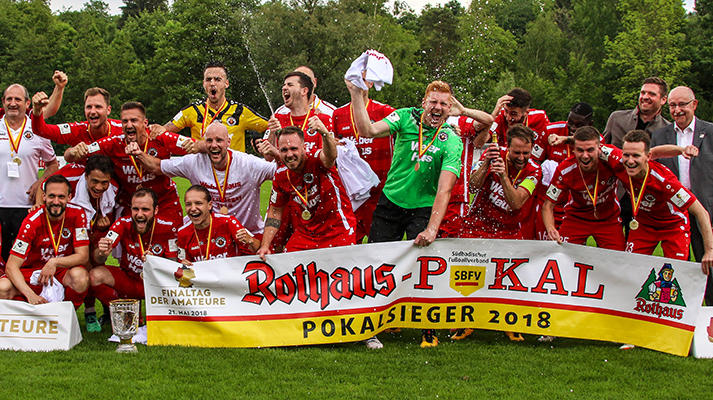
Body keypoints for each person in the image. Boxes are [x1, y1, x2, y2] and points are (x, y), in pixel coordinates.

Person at [346, 79, 463, 349]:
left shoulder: (452, 140)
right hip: (391, 202)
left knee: (423, 266)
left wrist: (432, 228)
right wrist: (355, 94)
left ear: (450, 109)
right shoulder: (404, 117)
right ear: (424, 103)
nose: (437, 107)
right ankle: (371, 326)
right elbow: (368, 129)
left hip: (422, 208)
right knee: (377, 261)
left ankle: (428, 327)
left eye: (443, 104)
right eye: (433, 102)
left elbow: (444, 190)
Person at [64, 101, 197, 226]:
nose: (128, 125)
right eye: (125, 121)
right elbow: (75, 154)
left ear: (145, 123)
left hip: (164, 203)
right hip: (131, 206)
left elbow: (197, 147)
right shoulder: (114, 143)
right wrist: (73, 151)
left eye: (134, 120)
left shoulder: (160, 137)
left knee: (173, 247)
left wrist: (195, 146)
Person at [602, 130, 713, 271]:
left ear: (648, 157)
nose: (630, 161)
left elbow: (701, 212)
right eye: (626, 155)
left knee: (675, 272)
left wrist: (710, 251)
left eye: (636, 156)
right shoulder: (616, 159)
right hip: (643, 224)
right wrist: (566, 138)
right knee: (630, 267)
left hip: (672, 226)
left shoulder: (665, 182)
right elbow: (589, 144)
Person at [140, 122, 274, 235]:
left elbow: (280, 171)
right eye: (209, 141)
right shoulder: (194, 162)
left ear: (228, 142)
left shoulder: (249, 164)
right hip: (208, 235)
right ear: (204, 143)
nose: (214, 145)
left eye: (219, 140)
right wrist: (137, 153)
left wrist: (276, 152)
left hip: (247, 234)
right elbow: (157, 167)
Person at [651, 86, 713, 304]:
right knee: (678, 270)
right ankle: (683, 319)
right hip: (674, 214)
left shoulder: (710, 132)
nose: (677, 110)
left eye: (682, 105)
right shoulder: (660, 135)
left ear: (694, 105)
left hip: (705, 210)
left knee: (709, 265)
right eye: (673, 106)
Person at [44, 155, 117, 331]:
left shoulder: (114, 188)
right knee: (82, 266)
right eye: (95, 181)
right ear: (85, 176)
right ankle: (83, 311)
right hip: (71, 229)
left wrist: (104, 221)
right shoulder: (70, 175)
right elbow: (44, 185)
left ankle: (92, 310)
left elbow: (112, 209)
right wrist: (38, 204)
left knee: (96, 264)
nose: (99, 187)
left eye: (104, 183)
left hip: (96, 230)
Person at [257, 124, 355, 255]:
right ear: (278, 151)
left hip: (337, 229)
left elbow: (330, 157)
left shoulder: (316, 159)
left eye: (293, 149)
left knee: (340, 273)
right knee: (289, 265)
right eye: (284, 150)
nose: (289, 154)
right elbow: (275, 211)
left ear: (303, 148)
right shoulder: (281, 176)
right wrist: (265, 246)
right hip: (307, 235)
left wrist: (324, 133)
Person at [0, 175, 89, 306]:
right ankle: (27, 314)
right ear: (44, 197)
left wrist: (54, 262)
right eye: (52, 196)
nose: (56, 201)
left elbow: (83, 256)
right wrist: (30, 295)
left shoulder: (78, 214)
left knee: (80, 277)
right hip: (32, 272)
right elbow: (12, 266)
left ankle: (67, 315)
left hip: (60, 271)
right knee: (2, 287)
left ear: (69, 198)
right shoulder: (31, 222)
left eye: (61, 197)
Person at [0, 84, 59, 262]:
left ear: (27, 104)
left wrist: (40, 183)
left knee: (23, 260)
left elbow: (53, 165)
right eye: (9, 99)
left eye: (17, 99)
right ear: (3, 103)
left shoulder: (38, 130)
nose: (13, 103)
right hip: (0, 205)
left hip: (26, 206)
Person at [332, 78, 396, 242]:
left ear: (371, 84)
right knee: (350, 243)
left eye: (362, 79)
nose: (357, 83)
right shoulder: (338, 114)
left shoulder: (385, 111)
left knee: (381, 246)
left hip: (380, 191)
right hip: (353, 191)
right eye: (353, 79)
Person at [542, 126, 625, 251]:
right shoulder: (565, 169)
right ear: (573, 150)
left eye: (590, 150)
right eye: (580, 150)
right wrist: (550, 229)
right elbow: (548, 206)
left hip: (608, 219)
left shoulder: (611, 158)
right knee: (561, 253)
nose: (585, 156)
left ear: (599, 148)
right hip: (576, 218)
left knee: (618, 259)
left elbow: (636, 163)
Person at [90, 189, 178, 304]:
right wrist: (101, 252)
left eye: (145, 210)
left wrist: (155, 262)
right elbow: (99, 258)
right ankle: (123, 311)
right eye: (135, 209)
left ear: (155, 210)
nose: (139, 214)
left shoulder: (169, 228)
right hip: (130, 280)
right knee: (95, 275)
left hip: (157, 283)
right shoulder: (122, 223)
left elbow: (175, 266)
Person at [458, 124, 541, 240]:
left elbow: (516, 204)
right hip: (476, 227)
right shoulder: (494, 154)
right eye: (517, 153)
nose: (521, 158)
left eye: (526, 153)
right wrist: (486, 163)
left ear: (532, 149)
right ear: (508, 147)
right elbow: (472, 187)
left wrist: (503, 176)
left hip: (509, 232)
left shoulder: (534, 170)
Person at [165, 61, 268, 152]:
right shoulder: (192, 111)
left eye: (217, 79)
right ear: (203, 84)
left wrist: (258, 139)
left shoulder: (239, 111)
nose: (212, 83)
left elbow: (271, 126)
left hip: (233, 172)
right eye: (208, 80)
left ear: (226, 84)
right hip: (202, 172)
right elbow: (164, 131)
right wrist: (182, 142)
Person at [438, 100, 493, 238]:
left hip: (455, 196)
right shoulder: (423, 123)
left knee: (450, 244)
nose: (439, 107)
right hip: (426, 195)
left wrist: (464, 110)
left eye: (444, 102)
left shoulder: (460, 122)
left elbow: (488, 120)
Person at [177, 185, 259, 263]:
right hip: (202, 277)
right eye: (188, 204)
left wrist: (250, 241)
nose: (193, 208)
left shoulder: (228, 222)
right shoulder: (183, 233)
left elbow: (256, 249)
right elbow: (182, 264)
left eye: (198, 203)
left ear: (209, 205)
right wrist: (183, 264)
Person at [30, 87, 122, 147]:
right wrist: (37, 111)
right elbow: (40, 130)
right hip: (85, 174)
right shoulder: (76, 130)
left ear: (108, 110)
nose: (93, 112)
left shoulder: (123, 129)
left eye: (98, 107)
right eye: (89, 107)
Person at [267, 71, 333, 154]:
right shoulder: (277, 119)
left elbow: (328, 160)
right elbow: (268, 157)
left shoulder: (322, 120)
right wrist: (272, 134)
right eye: (284, 85)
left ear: (304, 91)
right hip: (285, 168)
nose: (284, 88)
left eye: (290, 85)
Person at [604, 77, 670, 148]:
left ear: (663, 100)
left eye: (651, 94)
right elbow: (601, 149)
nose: (645, 97)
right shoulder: (616, 119)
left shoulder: (667, 130)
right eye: (643, 93)